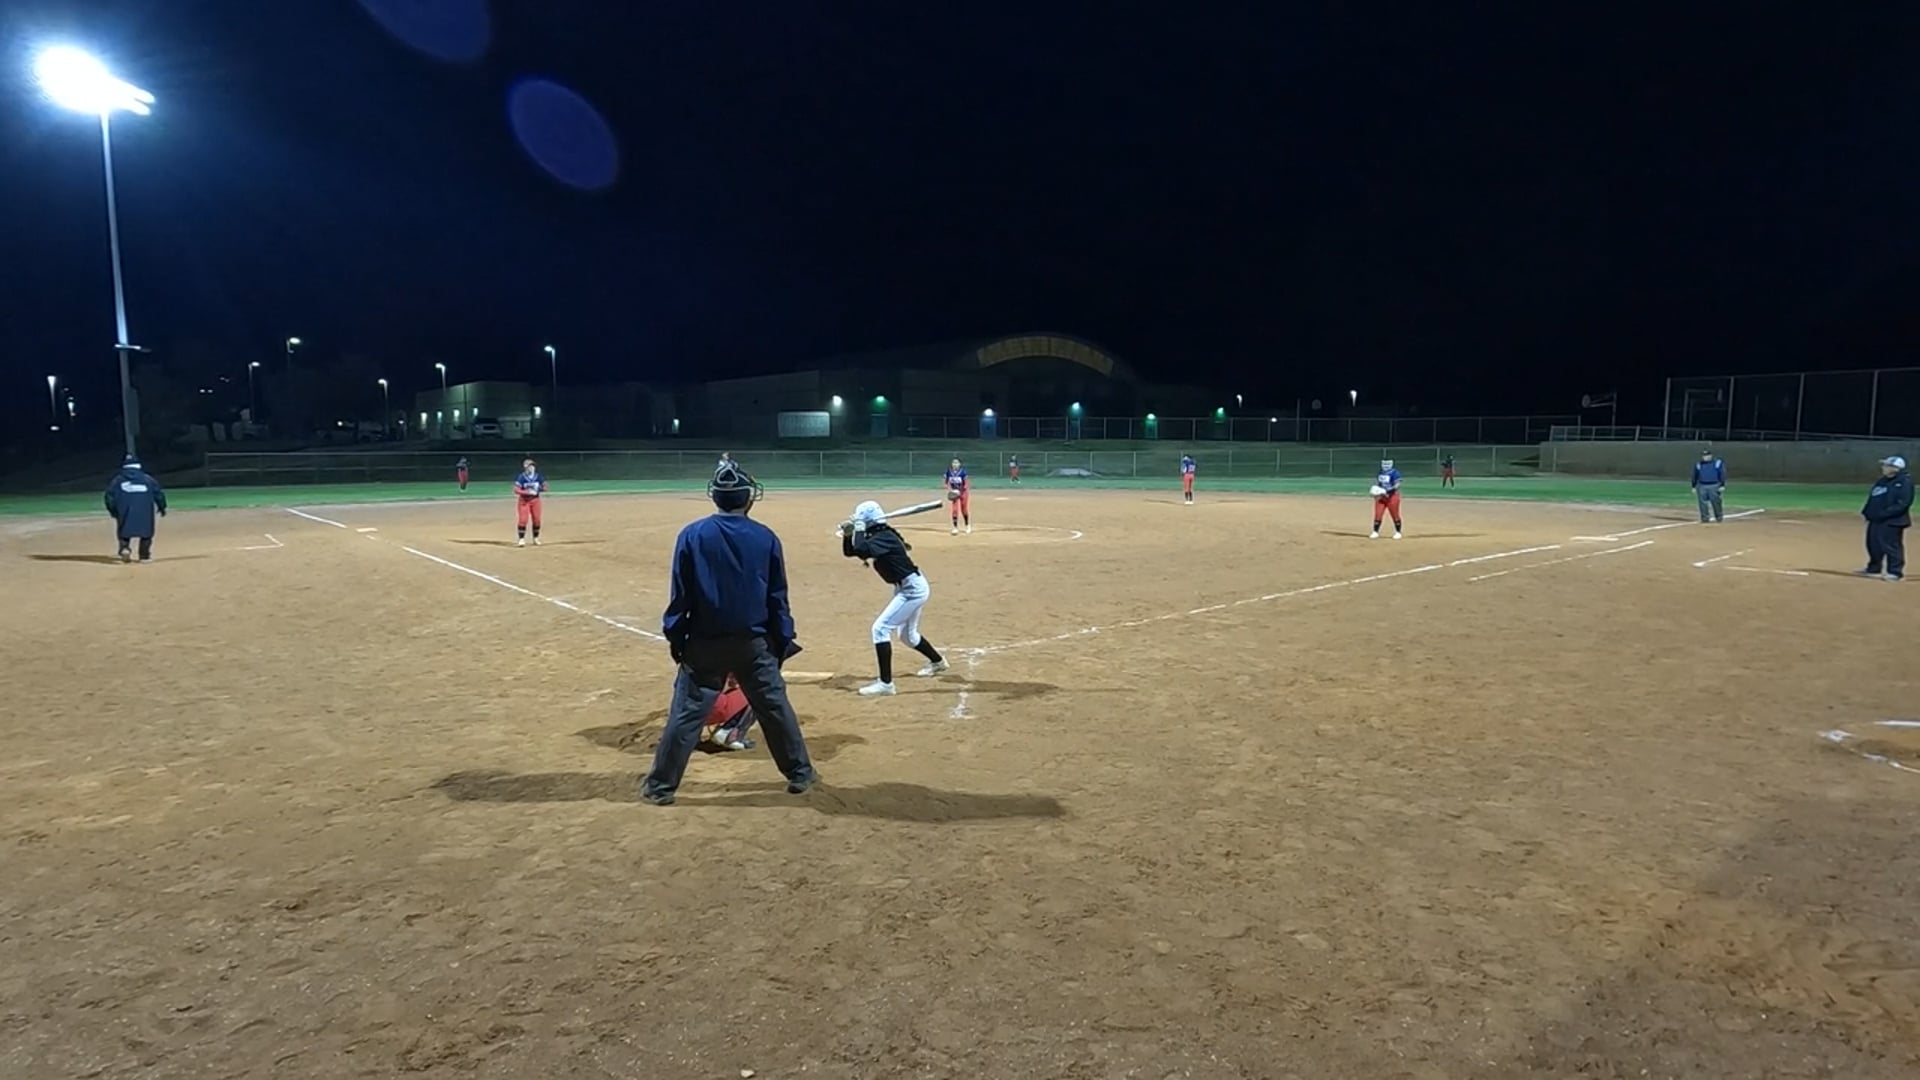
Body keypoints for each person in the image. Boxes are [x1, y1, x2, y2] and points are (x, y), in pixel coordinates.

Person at [643, 461, 815, 805]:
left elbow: (681, 596)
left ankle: (661, 787)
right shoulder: (765, 537)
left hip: (704, 642)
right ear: (748, 498)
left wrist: (677, 639)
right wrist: (782, 640)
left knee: (686, 715)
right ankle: (800, 774)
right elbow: (777, 598)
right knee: (774, 709)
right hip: (754, 643)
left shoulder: (692, 535)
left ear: (716, 497)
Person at [841, 500, 948, 696]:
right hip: (906, 587)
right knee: (908, 636)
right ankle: (938, 662)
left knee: (880, 629)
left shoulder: (885, 537)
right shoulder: (879, 534)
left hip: (912, 590)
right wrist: (849, 535)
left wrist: (858, 528)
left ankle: (886, 684)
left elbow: (863, 549)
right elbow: (851, 551)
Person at [104, 454, 167, 563]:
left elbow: (109, 496)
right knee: (146, 532)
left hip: (124, 510)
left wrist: (113, 510)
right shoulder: (148, 479)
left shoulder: (118, 480)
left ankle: (124, 548)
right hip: (145, 510)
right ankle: (144, 556)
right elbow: (159, 494)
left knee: (124, 531)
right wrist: (162, 507)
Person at [1860, 454, 1913, 582]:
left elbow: (1903, 504)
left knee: (1891, 546)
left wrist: (1883, 514)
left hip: (1893, 521)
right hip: (1876, 520)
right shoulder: (1882, 481)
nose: (1883, 467)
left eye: (1886, 465)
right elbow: (1873, 498)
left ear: (1895, 468)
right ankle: (1874, 568)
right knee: (1873, 545)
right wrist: (1867, 511)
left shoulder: (1904, 482)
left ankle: (1895, 572)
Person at [514, 458, 546, 546]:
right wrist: (527, 492)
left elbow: (545, 487)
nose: (532, 468)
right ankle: (521, 539)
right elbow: (516, 490)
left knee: (537, 519)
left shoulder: (538, 476)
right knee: (523, 520)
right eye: (529, 466)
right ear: (525, 468)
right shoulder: (522, 477)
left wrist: (538, 489)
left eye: (533, 466)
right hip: (524, 501)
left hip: (535, 500)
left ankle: (536, 538)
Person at [1692, 448, 1727, 524]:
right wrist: (1693, 486)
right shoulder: (1698, 464)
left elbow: (1722, 474)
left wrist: (1722, 484)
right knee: (1702, 503)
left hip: (1714, 485)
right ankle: (1705, 518)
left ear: (1710, 456)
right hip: (1702, 485)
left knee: (1716, 502)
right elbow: (1695, 475)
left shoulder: (1717, 463)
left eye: (1707, 455)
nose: (1705, 457)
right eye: (1703, 456)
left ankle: (1719, 517)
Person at [1371, 458, 1403, 540]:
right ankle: (1375, 531)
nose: (1385, 466)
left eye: (1387, 464)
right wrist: (1376, 492)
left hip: (1392, 497)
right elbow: (1379, 483)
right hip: (1382, 497)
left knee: (1395, 515)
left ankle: (1398, 532)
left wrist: (1388, 490)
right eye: (1384, 464)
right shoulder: (1380, 472)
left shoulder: (1395, 473)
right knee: (1378, 514)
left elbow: (1397, 485)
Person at [944, 457, 972, 535]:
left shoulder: (963, 472)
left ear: (959, 464)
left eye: (957, 463)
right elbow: (946, 482)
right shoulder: (949, 472)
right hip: (954, 493)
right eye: (954, 463)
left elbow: (966, 483)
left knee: (964, 509)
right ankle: (955, 528)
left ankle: (967, 525)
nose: (955, 464)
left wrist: (960, 490)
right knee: (955, 510)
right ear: (951, 464)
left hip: (963, 493)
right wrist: (950, 490)